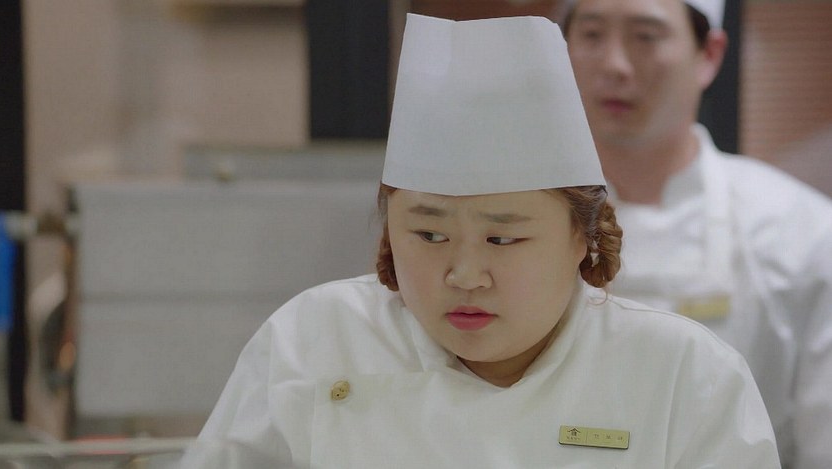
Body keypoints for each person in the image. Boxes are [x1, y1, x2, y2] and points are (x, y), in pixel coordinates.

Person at [180, 13, 779, 468]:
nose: (464, 274)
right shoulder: (314, 338)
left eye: (502, 239)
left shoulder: (683, 374)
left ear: (582, 236)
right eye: (429, 233)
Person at [561, 1, 832, 468]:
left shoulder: (801, 231)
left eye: (645, 36)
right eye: (591, 35)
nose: (614, 65)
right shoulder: (508, 227)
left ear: (709, 54)